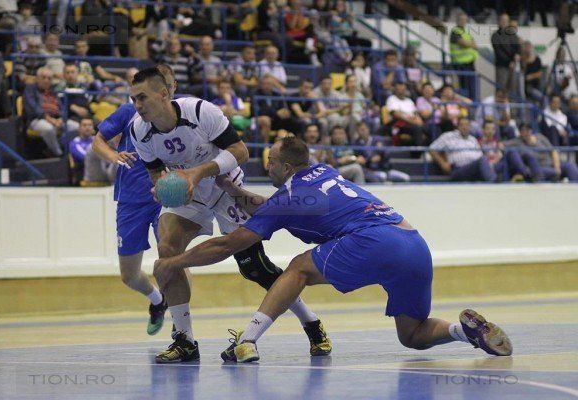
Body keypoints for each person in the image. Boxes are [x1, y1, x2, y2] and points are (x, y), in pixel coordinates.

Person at [153, 136, 513, 363]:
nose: (267, 167)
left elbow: (229, 243)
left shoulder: (288, 197)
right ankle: (465, 332)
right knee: (413, 336)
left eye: (271, 163)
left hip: (373, 240)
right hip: (413, 243)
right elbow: (277, 207)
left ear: (286, 166)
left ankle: (247, 341)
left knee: (298, 268)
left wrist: (173, 262)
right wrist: (234, 191)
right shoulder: (324, 173)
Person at [128, 68, 331, 363]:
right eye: (133, 99)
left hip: (226, 187)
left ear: (163, 94)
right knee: (168, 249)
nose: (137, 105)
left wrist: (199, 173)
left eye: (142, 97)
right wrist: (161, 188)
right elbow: (155, 172)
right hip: (188, 191)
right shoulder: (138, 130)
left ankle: (311, 322)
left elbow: (240, 151)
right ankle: (184, 340)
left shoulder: (200, 111)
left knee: (255, 268)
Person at [92, 65, 176, 337]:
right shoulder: (129, 113)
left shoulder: (181, 114)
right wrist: (114, 156)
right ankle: (158, 301)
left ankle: (182, 325)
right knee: (129, 275)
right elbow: (98, 141)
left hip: (165, 197)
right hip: (130, 200)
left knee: (173, 260)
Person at [429, 117, 497, 182]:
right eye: (462, 125)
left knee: (496, 162)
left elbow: (480, 156)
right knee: (483, 160)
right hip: (459, 169)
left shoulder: (473, 139)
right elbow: (432, 148)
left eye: (467, 125)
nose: (465, 127)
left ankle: (495, 182)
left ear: (470, 127)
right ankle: (494, 184)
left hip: (474, 169)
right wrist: (442, 163)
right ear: (457, 127)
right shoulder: (448, 136)